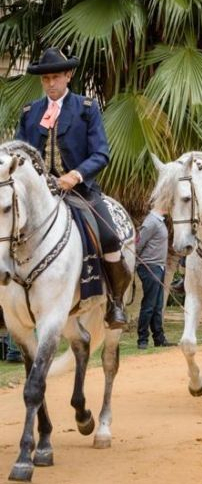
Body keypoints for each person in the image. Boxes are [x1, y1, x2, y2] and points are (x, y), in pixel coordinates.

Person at [16, 47, 131, 328]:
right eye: (45, 79)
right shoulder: (30, 113)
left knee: (110, 238)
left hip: (80, 191)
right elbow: (19, 153)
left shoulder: (87, 108)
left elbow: (101, 153)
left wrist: (75, 175)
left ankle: (115, 303)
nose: (51, 84)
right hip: (38, 195)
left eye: (56, 77)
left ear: (68, 75)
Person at [136, 206, 175, 350]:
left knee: (157, 306)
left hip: (159, 267)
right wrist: (141, 263)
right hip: (149, 266)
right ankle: (142, 339)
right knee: (149, 305)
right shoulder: (151, 222)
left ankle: (159, 339)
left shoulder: (160, 221)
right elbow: (138, 244)